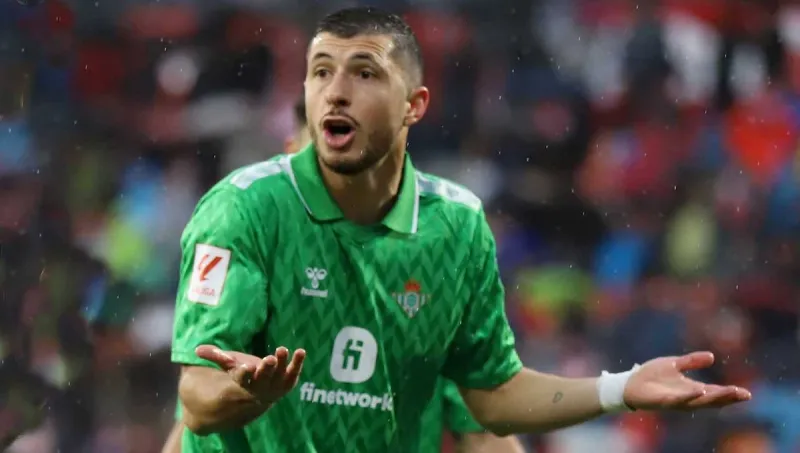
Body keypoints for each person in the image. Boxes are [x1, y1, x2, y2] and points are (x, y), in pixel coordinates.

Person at [172, 6, 751, 452]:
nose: (336, 91)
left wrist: (620, 389)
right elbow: (195, 402)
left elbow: (493, 400)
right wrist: (246, 392)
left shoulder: (455, 227)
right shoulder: (242, 210)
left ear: (414, 105)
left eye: (364, 73)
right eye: (320, 72)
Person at [162, 97, 526, 453]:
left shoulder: (428, 275)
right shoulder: (252, 250)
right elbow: (194, 415)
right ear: (290, 154)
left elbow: (483, 434)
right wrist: (242, 394)